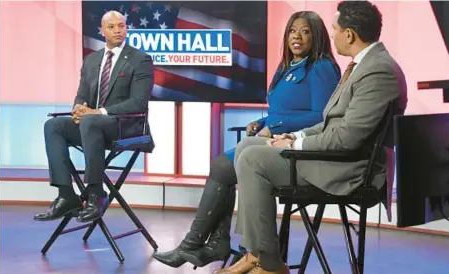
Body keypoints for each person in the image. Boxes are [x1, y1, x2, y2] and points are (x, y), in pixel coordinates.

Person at [215, 1, 408, 274]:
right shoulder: (363, 66)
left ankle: (267, 262)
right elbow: (332, 122)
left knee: (252, 159)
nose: (333, 35)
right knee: (249, 144)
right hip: (337, 157)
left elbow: (347, 138)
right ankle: (255, 252)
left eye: (335, 29)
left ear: (350, 34)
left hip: (351, 168)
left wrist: (297, 144)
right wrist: (294, 135)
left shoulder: (377, 71)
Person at [153, 11, 341, 269]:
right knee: (222, 167)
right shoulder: (288, 66)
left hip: (294, 148)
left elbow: (322, 116)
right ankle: (212, 242)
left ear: (317, 36)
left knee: (221, 166)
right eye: (292, 31)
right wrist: (262, 123)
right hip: (273, 139)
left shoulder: (321, 68)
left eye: (305, 31)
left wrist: (275, 126)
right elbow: (283, 110)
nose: (296, 37)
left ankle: (198, 243)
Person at [34, 11, 154, 223]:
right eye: (112, 26)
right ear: (102, 31)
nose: (118, 30)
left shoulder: (140, 60)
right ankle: (66, 195)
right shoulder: (91, 60)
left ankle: (96, 194)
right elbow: (82, 95)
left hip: (125, 126)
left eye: (122, 25)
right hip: (92, 127)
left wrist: (96, 113)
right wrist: (78, 109)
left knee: (90, 121)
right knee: (53, 125)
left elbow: (138, 103)